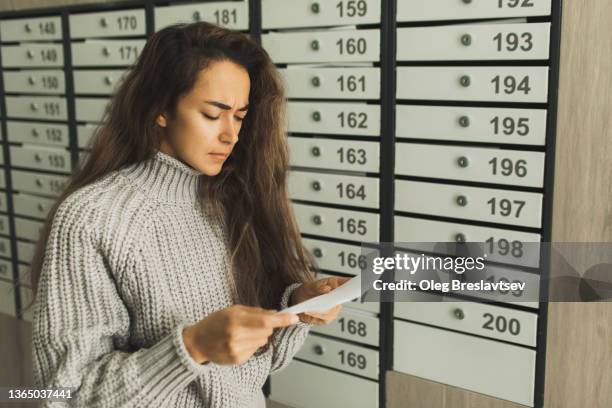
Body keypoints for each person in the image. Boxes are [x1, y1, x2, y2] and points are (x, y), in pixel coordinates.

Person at [30, 21, 347, 408]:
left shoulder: (232, 201)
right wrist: (193, 346)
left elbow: (254, 369)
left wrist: (297, 306)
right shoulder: (92, 217)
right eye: (214, 114)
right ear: (161, 108)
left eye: (240, 116)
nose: (231, 135)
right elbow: (65, 394)